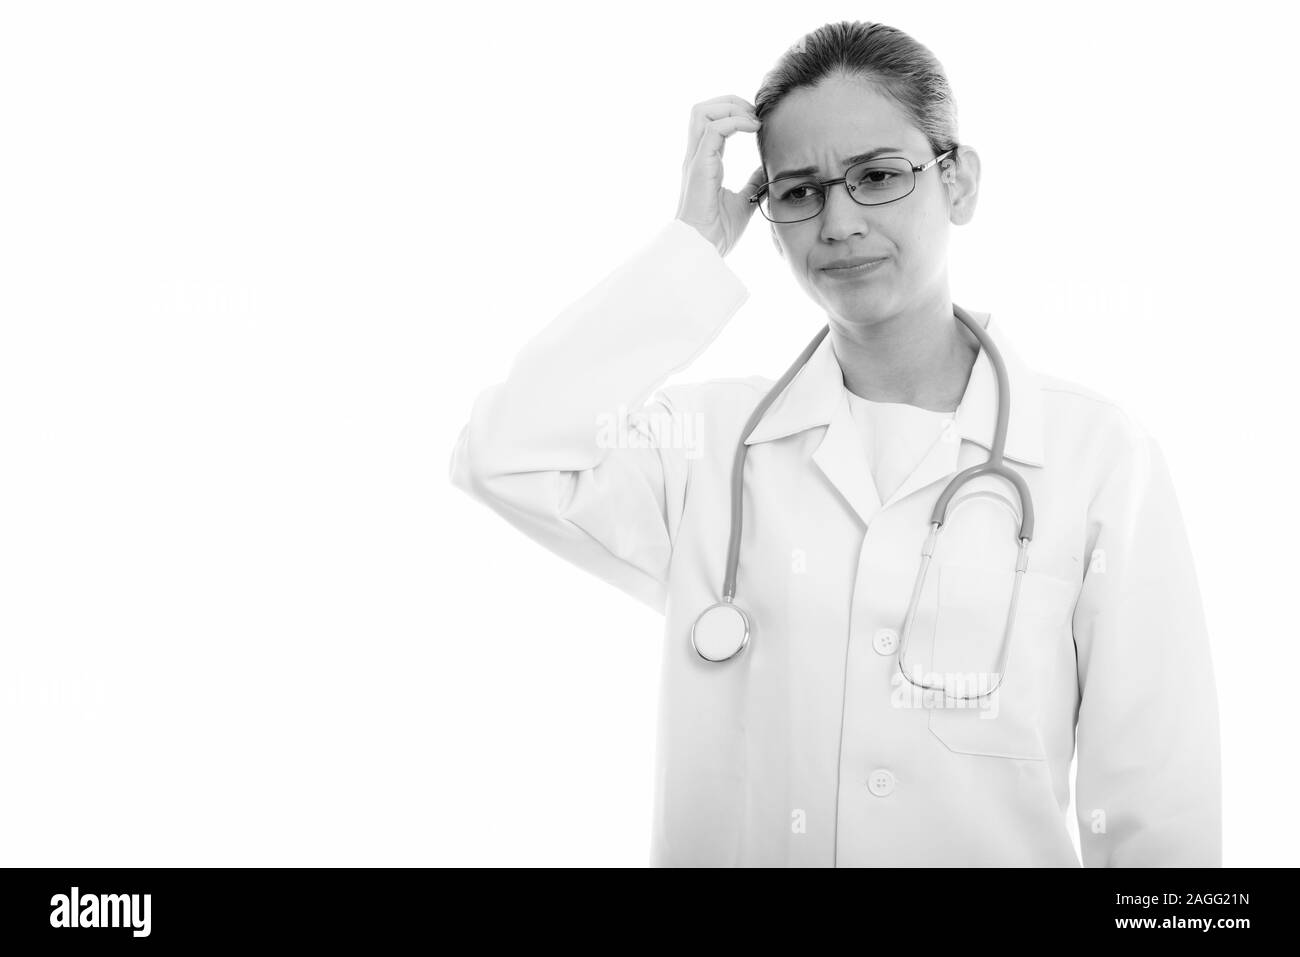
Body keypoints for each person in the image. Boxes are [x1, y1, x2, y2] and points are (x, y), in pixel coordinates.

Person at [449, 20, 1221, 867]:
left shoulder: (1096, 455)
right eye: (800, 190)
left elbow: (1161, 805)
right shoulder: (706, 447)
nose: (840, 220)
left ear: (958, 182)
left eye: (879, 175)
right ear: (768, 215)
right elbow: (503, 451)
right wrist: (691, 247)